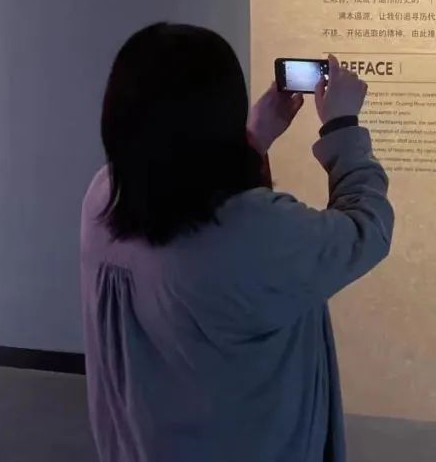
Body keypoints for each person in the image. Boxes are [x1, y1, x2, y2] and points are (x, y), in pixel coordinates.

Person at [80, 23, 393, 462]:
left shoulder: (105, 195)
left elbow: (181, 176)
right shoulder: (251, 229)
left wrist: (253, 140)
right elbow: (367, 229)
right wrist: (342, 127)